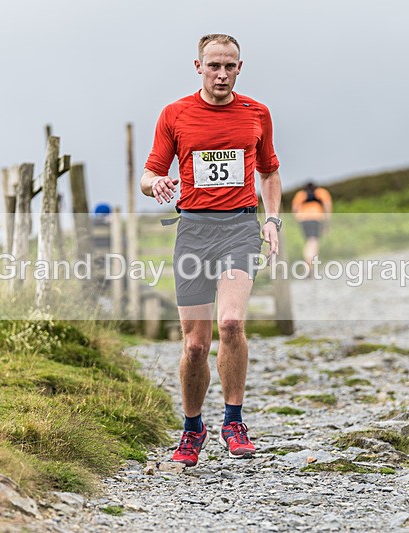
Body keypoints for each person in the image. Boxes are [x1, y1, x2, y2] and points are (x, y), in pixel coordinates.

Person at [139, 34, 282, 467]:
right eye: (214, 66)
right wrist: (156, 185)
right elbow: (148, 175)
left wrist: (272, 220)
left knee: (232, 323)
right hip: (194, 233)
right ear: (198, 66)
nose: (222, 74)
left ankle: (234, 420)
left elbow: (270, 173)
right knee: (196, 345)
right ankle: (192, 427)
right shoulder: (175, 114)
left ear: (241, 67)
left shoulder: (257, 114)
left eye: (230, 66)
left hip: (239, 227)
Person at [291, 181, 332, 275]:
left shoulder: (300, 194)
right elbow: (327, 206)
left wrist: (297, 219)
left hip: (303, 220)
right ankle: (308, 264)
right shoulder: (322, 192)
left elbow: (294, 209)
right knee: (313, 242)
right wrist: (327, 222)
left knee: (309, 241)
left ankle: (310, 265)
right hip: (316, 218)